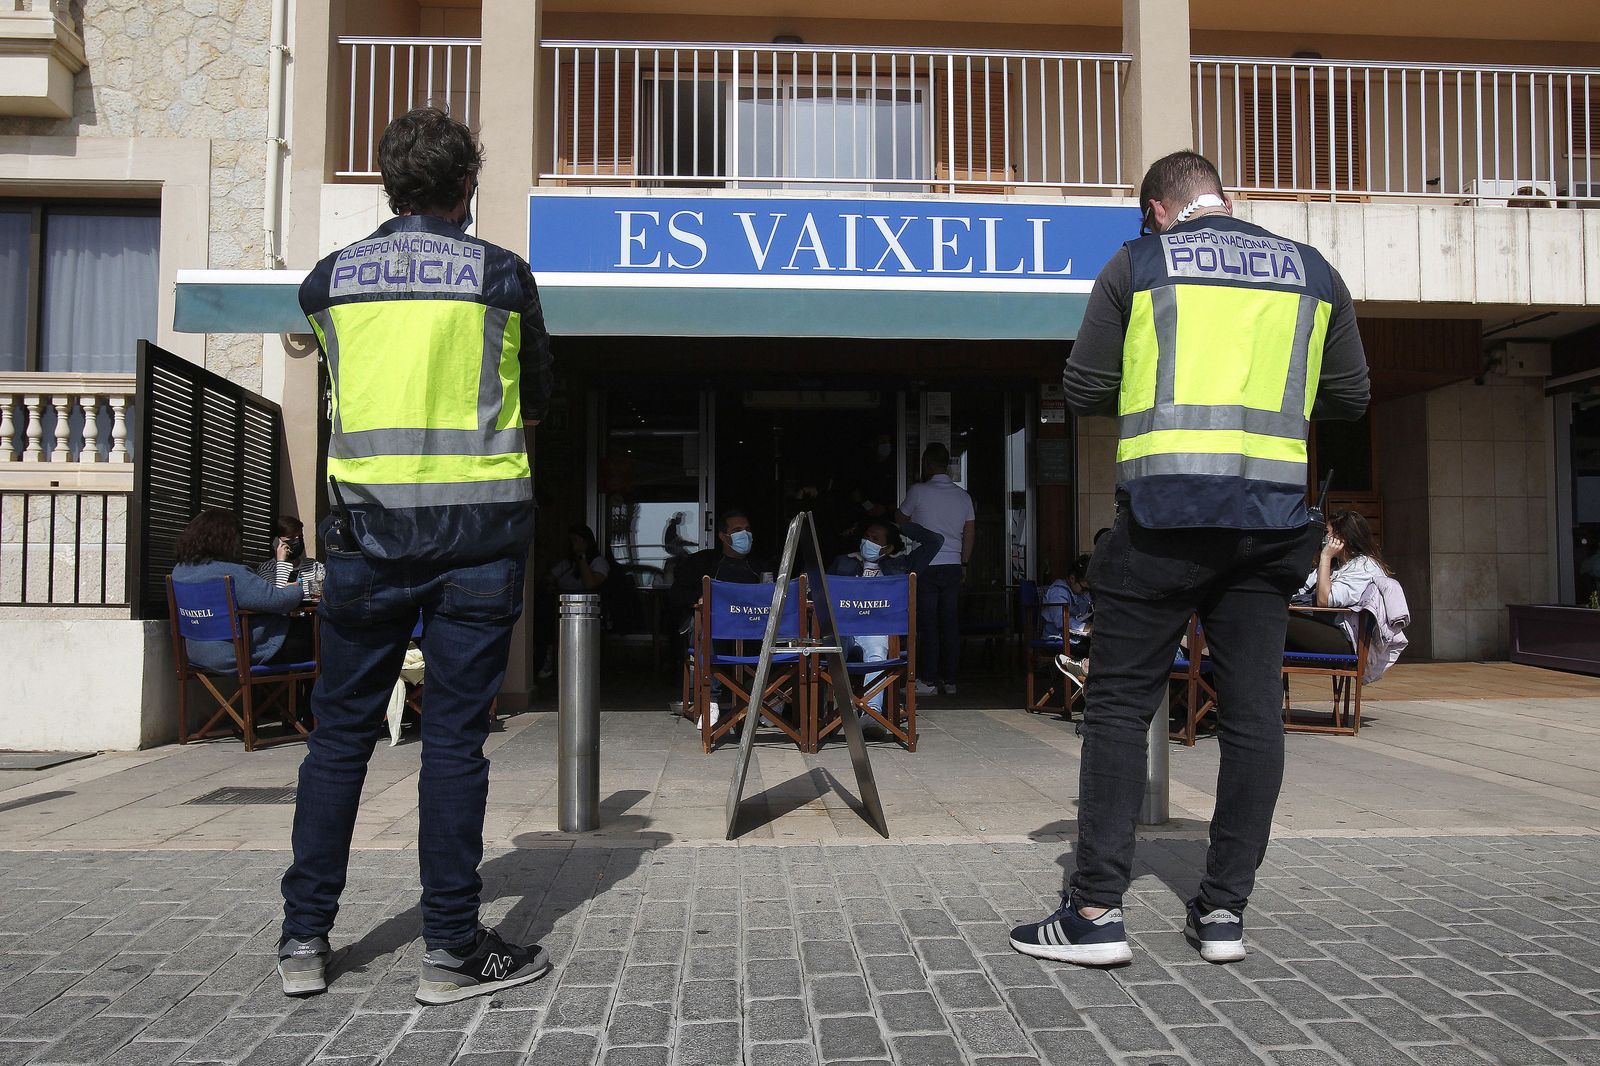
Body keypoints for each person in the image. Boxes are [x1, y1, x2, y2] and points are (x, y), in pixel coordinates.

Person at [1009, 151, 1369, 968]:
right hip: (1272, 525)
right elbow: (1349, 397)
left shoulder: (1139, 264)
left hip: (1164, 522)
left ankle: (1095, 912)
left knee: (1117, 707)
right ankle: (1222, 916)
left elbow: (1085, 383)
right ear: (1223, 199)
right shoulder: (1314, 273)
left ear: (1157, 211)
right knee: (1250, 716)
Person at [278, 107, 554, 1005]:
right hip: (476, 546)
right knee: (452, 745)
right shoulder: (503, 277)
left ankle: (305, 939)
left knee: (339, 742)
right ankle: (449, 950)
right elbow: (537, 401)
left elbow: (330, 382)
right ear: (466, 185)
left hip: (361, 541)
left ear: (388, 185)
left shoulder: (329, 284)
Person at [828, 519, 943, 733]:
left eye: (875, 539)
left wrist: (902, 525)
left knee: (878, 649)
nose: (868, 542)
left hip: (876, 631)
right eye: (867, 537)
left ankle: (871, 713)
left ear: (888, 547)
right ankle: (838, 712)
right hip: (843, 628)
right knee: (831, 649)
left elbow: (935, 542)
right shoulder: (843, 562)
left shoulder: (901, 565)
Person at [171, 508, 314, 672]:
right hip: (236, 655)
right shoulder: (232, 573)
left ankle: (268, 697)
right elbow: (278, 601)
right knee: (319, 635)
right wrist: (297, 589)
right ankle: (316, 697)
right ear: (225, 540)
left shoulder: (180, 571)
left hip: (196, 654)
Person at [669, 509, 774, 725]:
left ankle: (769, 700)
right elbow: (677, 594)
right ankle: (711, 701)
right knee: (707, 630)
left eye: (747, 530)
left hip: (754, 630)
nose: (744, 535)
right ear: (722, 536)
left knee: (783, 636)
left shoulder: (761, 566)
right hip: (715, 631)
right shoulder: (703, 563)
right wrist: (700, 597)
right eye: (737, 530)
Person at [1289, 509, 1410, 682]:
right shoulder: (1338, 565)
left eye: (1327, 533)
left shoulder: (1364, 567)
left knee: (1276, 619)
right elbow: (1299, 589)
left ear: (1341, 538)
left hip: (1345, 640)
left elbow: (1324, 600)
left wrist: (1325, 557)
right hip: (1324, 626)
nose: (1324, 539)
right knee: (1268, 617)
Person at [896, 443, 974, 695]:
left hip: (927, 565)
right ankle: (950, 680)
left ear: (927, 464)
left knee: (928, 623)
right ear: (947, 465)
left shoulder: (918, 491)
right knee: (949, 623)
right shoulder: (963, 496)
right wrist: (964, 563)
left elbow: (900, 519)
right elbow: (969, 533)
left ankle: (928, 679)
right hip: (952, 564)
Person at [1046, 554, 1094, 687]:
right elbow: (1061, 620)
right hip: (1060, 637)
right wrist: (1086, 628)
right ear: (1072, 579)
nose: (1085, 592)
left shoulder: (1081, 593)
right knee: (1098, 646)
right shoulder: (1058, 591)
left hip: (1077, 637)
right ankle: (1087, 673)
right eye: (1084, 588)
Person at [257, 515, 326, 591]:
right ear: (276, 541)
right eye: (291, 537)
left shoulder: (313, 566)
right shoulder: (267, 569)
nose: (298, 541)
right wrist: (281, 562)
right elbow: (277, 595)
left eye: (300, 536)